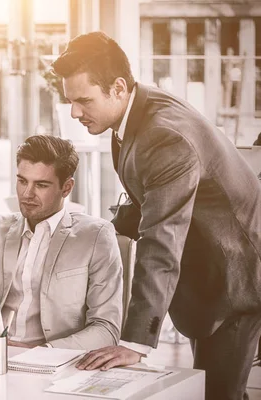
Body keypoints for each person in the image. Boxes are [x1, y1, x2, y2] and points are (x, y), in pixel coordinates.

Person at [52, 31, 261, 400]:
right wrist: (92, 233)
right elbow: (147, 195)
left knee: (217, 395)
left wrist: (136, 342)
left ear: (118, 87)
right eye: (69, 101)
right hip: (207, 272)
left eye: (84, 100)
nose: (74, 112)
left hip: (234, 282)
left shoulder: (164, 136)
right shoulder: (136, 110)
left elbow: (161, 239)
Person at [0, 135, 123, 350]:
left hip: (53, 363)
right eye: (22, 181)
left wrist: (43, 352)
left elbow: (106, 329)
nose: (26, 194)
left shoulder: (96, 236)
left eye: (41, 185)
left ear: (67, 188)